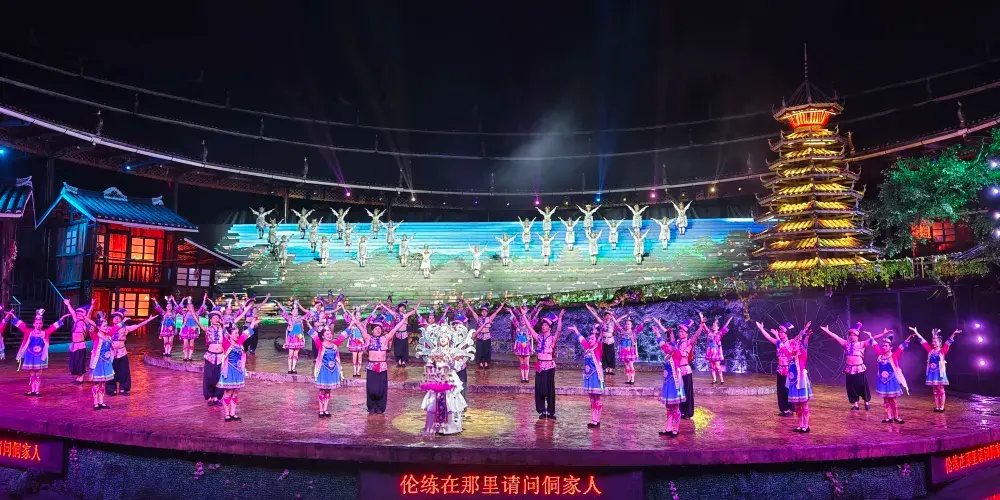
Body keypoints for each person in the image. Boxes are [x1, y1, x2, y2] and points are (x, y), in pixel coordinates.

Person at [416, 320, 474, 435]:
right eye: (441, 337)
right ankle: (435, 427)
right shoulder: (434, 351)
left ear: (449, 339)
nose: (443, 339)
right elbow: (429, 364)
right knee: (434, 402)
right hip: (437, 379)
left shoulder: (453, 351)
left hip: (449, 378)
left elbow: (458, 366)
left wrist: (451, 362)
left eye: (445, 337)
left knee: (450, 401)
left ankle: (448, 427)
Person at [819, 322, 888, 411]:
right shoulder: (846, 343)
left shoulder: (862, 344)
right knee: (852, 387)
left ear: (857, 336)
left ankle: (866, 403)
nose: (852, 336)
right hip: (849, 369)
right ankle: (856, 405)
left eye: (854, 335)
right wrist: (827, 331)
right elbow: (836, 337)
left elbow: (873, 338)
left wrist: (883, 334)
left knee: (862, 386)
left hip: (859, 369)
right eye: (850, 335)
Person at [358, 308, 414, 415]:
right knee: (371, 388)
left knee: (382, 388)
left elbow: (395, 328)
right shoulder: (368, 338)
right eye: (376, 329)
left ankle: (380, 407)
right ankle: (371, 406)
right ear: (372, 330)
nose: (378, 330)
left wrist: (404, 319)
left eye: (379, 329)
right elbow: (360, 327)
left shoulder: (385, 338)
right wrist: (355, 321)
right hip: (372, 366)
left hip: (382, 366)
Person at [654, 317, 703, 419]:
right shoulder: (676, 343)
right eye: (679, 331)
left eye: (682, 332)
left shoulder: (689, 342)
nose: (680, 333)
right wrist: (659, 325)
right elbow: (668, 334)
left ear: (686, 333)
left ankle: (688, 412)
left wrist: (701, 324)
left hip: (686, 371)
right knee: (679, 392)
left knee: (687, 392)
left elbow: (696, 335)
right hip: (677, 371)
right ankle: (679, 411)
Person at [13, 308, 70, 397]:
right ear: (33, 324)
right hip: (30, 355)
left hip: (40, 355)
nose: (38, 325)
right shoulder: (28, 332)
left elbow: (54, 327)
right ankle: (32, 390)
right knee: (32, 373)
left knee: (38, 373)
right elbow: (21, 324)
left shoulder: (45, 333)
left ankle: (37, 390)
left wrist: (63, 317)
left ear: (42, 324)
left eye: (40, 323)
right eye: (36, 323)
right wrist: (12, 315)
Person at [522, 309, 564, 420]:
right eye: (543, 325)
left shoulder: (552, 338)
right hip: (540, 366)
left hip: (549, 366)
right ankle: (542, 410)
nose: (543, 326)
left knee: (549, 389)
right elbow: (529, 327)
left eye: (545, 325)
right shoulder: (539, 337)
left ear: (549, 327)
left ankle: (550, 411)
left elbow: (559, 330)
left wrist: (560, 318)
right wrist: (524, 315)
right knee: (539, 389)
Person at [105, 308, 157, 396]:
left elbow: (138, 325)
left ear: (121, 319)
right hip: (111, 353)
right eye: (114, 318)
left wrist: (148, 320)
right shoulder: (108, 329)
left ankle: (123, 389)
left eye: (118, 318)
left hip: (122, 353)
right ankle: (111, 389)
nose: (116, 319)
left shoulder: (126, 328)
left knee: (124, 371)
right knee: (111, 371)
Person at [218, 317, 260, 422]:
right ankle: (227, 414)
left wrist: (252, 324)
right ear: (230, 335)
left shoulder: (239, 342)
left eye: (238, 333)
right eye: (236, 333)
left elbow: (246, 333)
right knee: (228, 392)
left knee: (236, 392)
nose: (238, 335)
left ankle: (233, 413)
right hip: (229, 371)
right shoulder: (226, 343)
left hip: (238, 371)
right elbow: (223, 333)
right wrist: (222, 326)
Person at [909, 326, 960, 412]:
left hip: (939, 373)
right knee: (935, 390)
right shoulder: (930, 350)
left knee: (941, 389)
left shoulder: (942, 351)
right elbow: (923, 341)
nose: (933, 343)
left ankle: (942, 407)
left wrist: (954, 334)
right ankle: (936, 407)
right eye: (932, 341)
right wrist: (916, 332)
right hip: (932, 373)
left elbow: (948, 342)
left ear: (940, 343)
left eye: (935, 341)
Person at [755, 321, 797, 417]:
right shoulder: (778, 342)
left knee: (786, 390)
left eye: (782, 332)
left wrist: (777, 335)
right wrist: (761, 328)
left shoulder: (790, 342)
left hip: (787, 369)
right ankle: (784, 410)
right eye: (779, 332)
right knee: (780, 390)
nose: (780, 333)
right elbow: (768, 337)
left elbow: (796, 339)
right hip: (780, 368)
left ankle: (790, 409)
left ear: (787, 333)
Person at [869, 332, 911, 424]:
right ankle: (889, 417)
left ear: (890, 347)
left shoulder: (894, 355)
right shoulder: (880, 355)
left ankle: (896, 417)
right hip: (882, 380)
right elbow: (875, 345)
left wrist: (907, 340)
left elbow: (900, 348)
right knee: (885, 400)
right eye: (883, 345)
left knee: (893, 400)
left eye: (886, 346)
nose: (884, 347)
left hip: (891, 381)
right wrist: (870, 336)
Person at [311, 322, 348, 418]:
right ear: (323, 336)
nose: (330, 335)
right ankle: (321, 409)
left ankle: (326, 409)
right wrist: (308, 324)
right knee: (322, 390)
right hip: (323, 370)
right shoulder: (320, 345)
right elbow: (314, 335)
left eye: (330, 334)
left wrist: (351, 325)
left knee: (328, 390)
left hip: (332, 370)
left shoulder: (334, 345)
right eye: (327, 334)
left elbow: (342, 337)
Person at [654, 326, 686, 437]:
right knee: (668, 407)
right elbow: (662, 344)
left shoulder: (677, 354)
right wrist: (657, 333)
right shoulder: (668, 354)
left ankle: (676, 429)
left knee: (675, 408)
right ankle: (668, 428)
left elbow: (672, 343)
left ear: (673, 346)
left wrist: (671, 333)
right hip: (667, 383)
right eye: (667, 345)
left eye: (669, 345)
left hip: (675, 383)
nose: (666, 346)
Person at [572, 325, 605, 428]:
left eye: (592, 339)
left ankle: (597, 420)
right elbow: (581, 339)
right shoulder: (587, 347)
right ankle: (593, 419)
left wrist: (602, 329)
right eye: (589, 339)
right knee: (592, 399)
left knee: (597, 398)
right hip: (588, 376)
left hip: (596, 376)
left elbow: (601, 337)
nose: (590, 340)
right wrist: (576, 330)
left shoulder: (598, 347)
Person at [786, 324, 815, 433]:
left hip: (801, 382)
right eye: (792, 345)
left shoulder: (802, 355)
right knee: (797, 406)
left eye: (795, 345)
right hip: (793, 383)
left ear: (799, 347)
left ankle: (806, 426)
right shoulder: (789, 356)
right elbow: (784, 345)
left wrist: (806, 336)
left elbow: (805, 346)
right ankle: (800, 424)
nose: (793, 346)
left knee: (804, 404)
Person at [584, 305, 623, 375]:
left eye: (609, 315)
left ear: (611, 317)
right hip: (604, 341)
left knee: (611, 355)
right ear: (604, 317)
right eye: (606, 316)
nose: (607, 317)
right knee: (604, 355)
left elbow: (620, 319)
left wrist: (627, 314)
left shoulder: (613, 323)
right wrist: (589, 308)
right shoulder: (602, 323)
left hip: (611, 341)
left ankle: (610, 370)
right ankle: (606, 370)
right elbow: (595, 315)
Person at [64, 298, 96, 382]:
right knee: (74, 362)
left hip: (81, 345)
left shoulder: (85, 322)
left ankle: (81, 378)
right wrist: (68, 304)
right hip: (74, 345)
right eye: (77, 314)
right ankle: (77, 377)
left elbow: (89, 313)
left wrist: (92, 305)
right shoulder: (76, 321)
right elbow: (72, 312)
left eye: (80, 314)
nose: (78, 315)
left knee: (80, 362)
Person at [87, 312, 114, 410]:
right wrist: (89, 316)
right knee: (97, 384)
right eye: (104, 326)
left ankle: (101, 402)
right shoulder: (95, 336)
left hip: (106, 362)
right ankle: (95, 403)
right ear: (98, 327)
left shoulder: (108, 336)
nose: (107, 327)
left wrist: (123, 322)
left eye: (107, 326)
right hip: (98, 363)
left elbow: (116, 328)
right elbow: (89, 327)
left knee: (103, 383)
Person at [276, 299, 308, 374]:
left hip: (299, 337)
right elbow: (283, 312)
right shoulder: (289, 318)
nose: (295, 312)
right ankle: (289, 368)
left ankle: (293, 368)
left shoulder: (300, 319)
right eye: (294, 311)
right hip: (291, 338)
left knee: (296, 354)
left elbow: (308, 314)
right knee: (290, 354)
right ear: (291, 312)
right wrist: (279, 305)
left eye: (296, 311)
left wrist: (302, 338)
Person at [467, 302, 503, 370]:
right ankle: (480, 363)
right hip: (480, 336)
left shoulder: (489, 318)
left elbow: (496, 312)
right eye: (482, 311)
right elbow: (472, 311)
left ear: (487, 312)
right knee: (480, 350)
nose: (483, 313)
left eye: (485, 311)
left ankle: (486, 363)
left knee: (487, 351)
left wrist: (501, 306)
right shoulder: (478, 319)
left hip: (487, 337)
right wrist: (467, 304)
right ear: (481, 312)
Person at [705, 316, 734, 384]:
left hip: (716, 351)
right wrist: (702, 319)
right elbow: (705, 327)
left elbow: (725, 326)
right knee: (712, 367)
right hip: (711, 351)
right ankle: (714, 380)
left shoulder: (719, 333)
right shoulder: (709, 333)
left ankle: (721, 379)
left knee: (718, 366)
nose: (713, 327)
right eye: (713, 325)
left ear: (718, 327)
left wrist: (729, 320)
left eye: (715, 326)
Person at [178, 295, 208, 362]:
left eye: (192, 306)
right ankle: (185, 356)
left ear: (193, 307)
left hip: (193, 329)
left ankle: (190, 356)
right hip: (185, 329)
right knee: (185, 344)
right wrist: (183, 300)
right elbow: (178, 308)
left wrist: (204, 299)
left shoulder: (196, 313)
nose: (190, 308)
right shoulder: (184, 313)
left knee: (191, 344)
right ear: (187, 307)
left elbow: (202, 307)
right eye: (189, 306)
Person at [509, 306, 535, 383]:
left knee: (526, 363)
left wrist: (532, 348)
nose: (523, 321)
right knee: (521, 363)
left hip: (527, 346)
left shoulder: (529, 328)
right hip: (520, 346)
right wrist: (510, 311)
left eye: (524, 320)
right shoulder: (518, 327)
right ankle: (522, 377)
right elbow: (513, 319)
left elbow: (531, 338)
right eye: (522, 320)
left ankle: (526, 377)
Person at [618, 317, 644, 385]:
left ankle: (632, 379)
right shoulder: (622, 332)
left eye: (628, 324)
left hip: (631, 350)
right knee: (626, 365)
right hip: (624, 350)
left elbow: (640, 327)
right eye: (626, 324)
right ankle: (628, 378)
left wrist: (643, 321)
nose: (627, 325)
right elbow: (617, 325)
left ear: (631, 325)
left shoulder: (633, 332)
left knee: (630, 365)